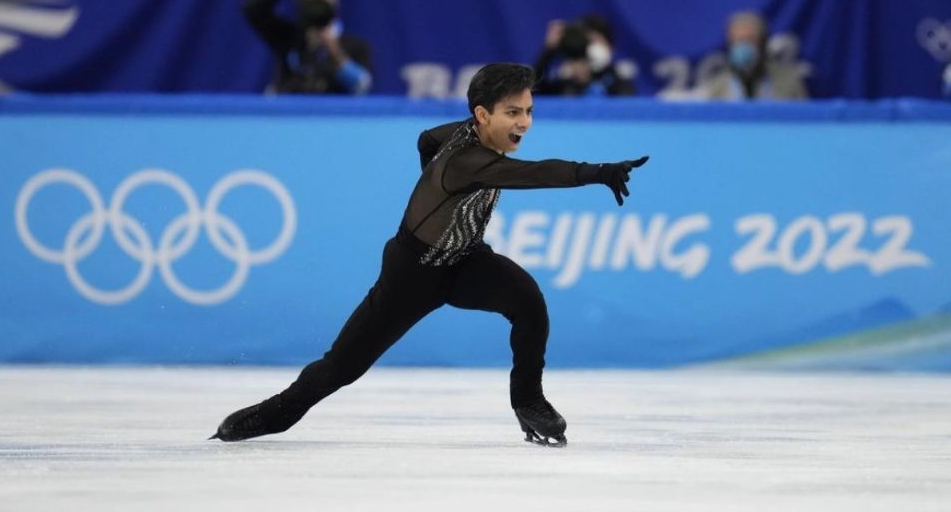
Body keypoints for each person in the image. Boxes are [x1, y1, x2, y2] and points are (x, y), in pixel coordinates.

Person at [210, 63, 648, 447]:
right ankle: (273, 414)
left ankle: (528, 401)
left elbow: (424, 140)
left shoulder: (455, 135)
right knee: (341, 367)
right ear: (483, 115)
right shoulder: (468, 159)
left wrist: (435, 191)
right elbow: (536, 173)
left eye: (529, 110)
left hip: (464, 261)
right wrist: (599, 172)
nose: (525, 122)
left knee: (528, 302)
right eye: (513, 112)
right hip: (411, 274)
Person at [243, 0, 372, 94]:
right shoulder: (289, 37)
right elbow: (252, 10)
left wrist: (333, 49)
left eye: (321, 2)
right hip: (289, 113)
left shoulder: (355, 46)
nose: (316, 8)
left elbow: (362, 84)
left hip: (331, 115)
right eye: (311, 2)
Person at [704, 11, 807, 100]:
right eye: (738, 41)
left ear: (762, 43)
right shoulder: (719, 85)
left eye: (750, 40)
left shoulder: (789, 83)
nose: (743, 47)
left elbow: (803, 119)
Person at [533, 14, 635, 97]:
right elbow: (530, 94)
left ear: (610, 47)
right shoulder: (564, 83)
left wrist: (588, 82)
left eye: (594, 41)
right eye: (587, 42)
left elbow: (626, 108)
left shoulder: (618, 82)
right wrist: (548, 51)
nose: (589, 49)